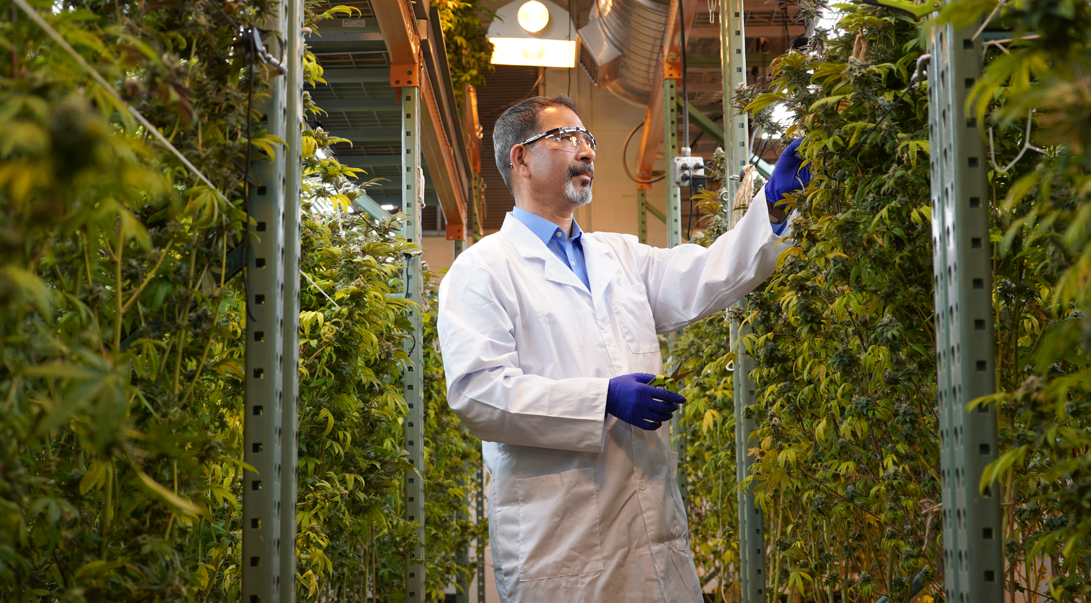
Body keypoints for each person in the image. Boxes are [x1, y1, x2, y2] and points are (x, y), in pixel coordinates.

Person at [437, 94, 803, 603]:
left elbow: (705, 275)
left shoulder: (619, 255)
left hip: (651, 527)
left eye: (587, 138)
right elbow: (479, 396)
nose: (585, 150)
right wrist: (601, 400)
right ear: (519, 158)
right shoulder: (482, 271)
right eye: (565, 137)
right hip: (560, 545)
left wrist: (772, 208)